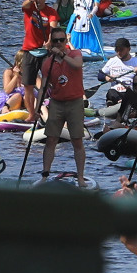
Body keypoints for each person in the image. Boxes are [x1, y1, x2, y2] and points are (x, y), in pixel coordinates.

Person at [38, 40, 91, 183]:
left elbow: (77, 65)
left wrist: (62, 54)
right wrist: (37, 107)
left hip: (75, 102)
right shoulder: (48, 63)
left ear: (65, 42)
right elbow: (43, 86)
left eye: (62, 40)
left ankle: (80, 177)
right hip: (57, 103)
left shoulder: (75, 54)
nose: (59, 43)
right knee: (51, 140)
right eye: (56, 41)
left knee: (77, 141)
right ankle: (45, 175)